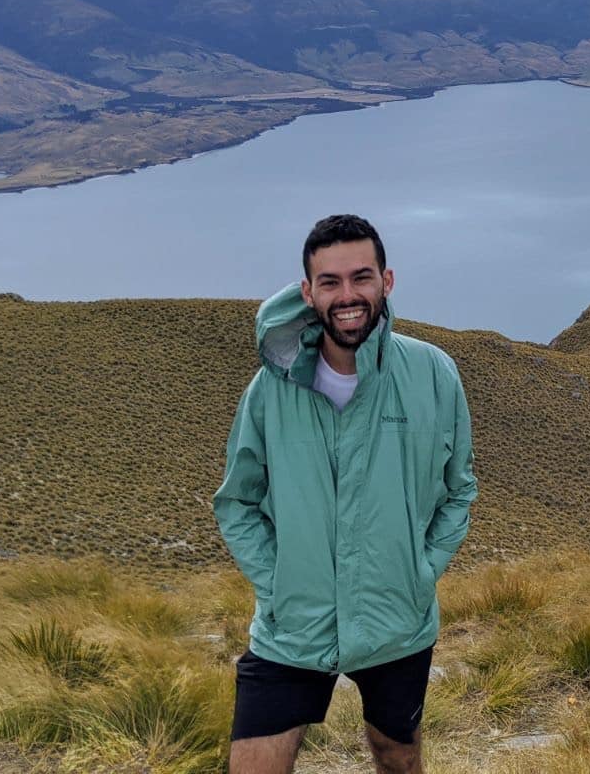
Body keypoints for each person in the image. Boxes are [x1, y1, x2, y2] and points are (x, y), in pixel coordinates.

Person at [214, 214, 478, 774]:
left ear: (387, 281)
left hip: (396, 620)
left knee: (397, 756)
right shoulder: (270, 389)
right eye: (329, 282)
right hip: (293, 625)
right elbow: (237, 501)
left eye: (361, 277)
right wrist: (276, 584)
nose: (347, 296)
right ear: (307, 292)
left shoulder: (434, 373)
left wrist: (420, 572)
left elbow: (460, 490)